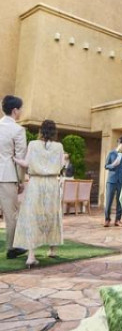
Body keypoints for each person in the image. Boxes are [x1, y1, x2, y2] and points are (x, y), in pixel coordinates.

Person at [13, 119, 64, 268]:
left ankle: (31, 256)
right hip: (52, 183)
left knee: (32, 216)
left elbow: (26, 163)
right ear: (54, 132)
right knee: (52, 214)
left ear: (41, 131)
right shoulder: (59, 146)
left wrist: (14, 159)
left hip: (36, 182)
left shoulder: (33, 144)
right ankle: (52, 250)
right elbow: (61, 164)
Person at [0, 95, 27, 260]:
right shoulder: (18, 130)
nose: (21, 112)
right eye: (21, 109)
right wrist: (21, 181)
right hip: (7, 176)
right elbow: (20, 158)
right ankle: (11, 249)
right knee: (11, 215)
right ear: (15, 110)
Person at [103, 136, 122, 228]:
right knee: (108, 201)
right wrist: (113, 165)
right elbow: (106, 166)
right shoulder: (111, 153)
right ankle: (107, 219)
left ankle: (118, 220)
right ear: (119, 143)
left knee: (120, 201)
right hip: (111, 181)